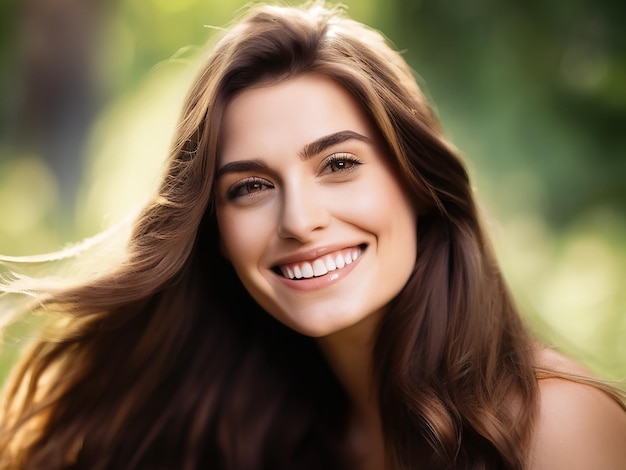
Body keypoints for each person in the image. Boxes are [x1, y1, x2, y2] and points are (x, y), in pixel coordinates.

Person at [1, 2, 625, 469]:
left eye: (339, 164)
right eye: (249, 187)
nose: (299, 220)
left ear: (416, 183)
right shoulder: (253, 430)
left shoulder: (555, 429)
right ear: (215, 230)